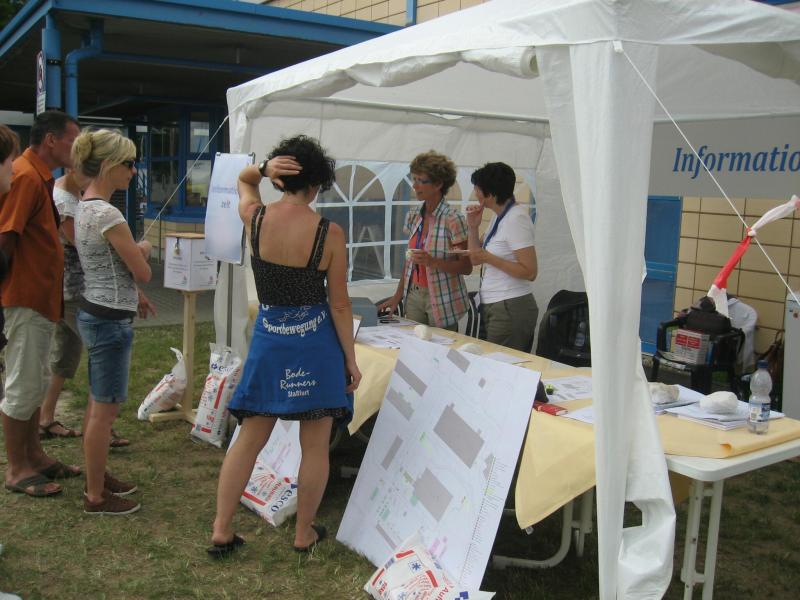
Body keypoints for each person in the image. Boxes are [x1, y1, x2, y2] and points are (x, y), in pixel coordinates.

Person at [208, 135, 361, 557]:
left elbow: (243, 181)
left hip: (270, 340)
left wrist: (262, 170)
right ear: (317, 184)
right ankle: (303, 532)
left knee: (248, 438)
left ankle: (221, 528)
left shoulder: (254, 217)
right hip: (316, 345)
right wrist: (350, 359)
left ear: (279, 179)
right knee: (315, 445)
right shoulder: (330, 233)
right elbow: (340, 303)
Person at [72, 128, 153, 515]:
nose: (133, 171)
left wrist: (134, 291)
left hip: (96, 312)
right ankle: (95, 496)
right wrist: (144, 248)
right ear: (107, 165)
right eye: (129, 164)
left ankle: (97, 476)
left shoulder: (85, 206)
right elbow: (142, 270)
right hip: (109, 322)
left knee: (96, 404)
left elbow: (109, 265)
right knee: (104, 412)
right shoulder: (108, 213)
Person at [0, 111, 81, 499]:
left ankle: (33, 455)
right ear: (51, 140)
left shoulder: (37, 175)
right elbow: (6, 238)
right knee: (23, 384)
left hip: (39, 299)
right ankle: (18, 468)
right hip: (25, 297)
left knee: (32, 382)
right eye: (72, 141)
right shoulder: (26, 176)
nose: (76, 150)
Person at [378, 151, 472, 330]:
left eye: (421, 181)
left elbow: (466, 267)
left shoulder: (453, 219)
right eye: (414, 179)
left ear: (438, 184)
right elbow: (410, 261)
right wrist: (398, 295)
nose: (415, 186)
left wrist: (433, 262)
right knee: (414, 342)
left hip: (442, 297)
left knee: (441, 344)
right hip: (414, 293)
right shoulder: (414, 214)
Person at [465, 162, 538, 352]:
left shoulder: (516, 219)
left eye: (477, 189)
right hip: (496, 304)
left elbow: (530, 272)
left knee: (501, 363)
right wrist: (473, 227)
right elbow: (475, 258)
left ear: (490, 194)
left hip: (510, 306)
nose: (475, 194)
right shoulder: (499, 217)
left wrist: (489, 258)